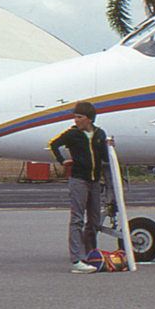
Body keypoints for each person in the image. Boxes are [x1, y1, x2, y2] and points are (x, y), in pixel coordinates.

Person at [48, 101, 110, 273]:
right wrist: (62, 161)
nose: (76, 120)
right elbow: (53, 144)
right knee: (77, 218)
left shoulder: (99, 134)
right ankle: (77, 259)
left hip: (94, 181)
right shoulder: (72, 134)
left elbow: (104, 156)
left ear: (89, 119)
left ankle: (90, 253)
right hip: (79, 180)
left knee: (94, 220)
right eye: (75, 117)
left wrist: (109, 147)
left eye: (80, 117)